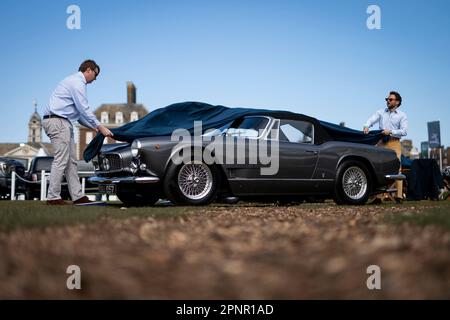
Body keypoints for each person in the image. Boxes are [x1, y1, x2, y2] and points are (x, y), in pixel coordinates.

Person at [43, 60, 113, 205]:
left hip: (63, 122)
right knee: (61, 159)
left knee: (71, 162)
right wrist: (100, 127)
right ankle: (53, 197)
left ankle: (77, 196)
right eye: (95, 74)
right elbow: (84, 108)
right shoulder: (77, 82)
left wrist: (92, 126)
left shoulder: (73, 83)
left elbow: (80, 115)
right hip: (57, 121)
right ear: (88, 70)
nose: (95, 79)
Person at [363, 91, 408, 204]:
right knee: (378, 168)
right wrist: (366, 126)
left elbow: (404, 131)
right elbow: (371, 119)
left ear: (397, 102)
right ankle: (378, 197)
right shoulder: (381, 112)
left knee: (397, 169)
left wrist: (391, 131)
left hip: (394, 143)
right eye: (387, 99)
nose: (388, 101)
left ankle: (399, 196)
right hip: (381, 143)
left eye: (390, 99)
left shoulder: (402, 115)